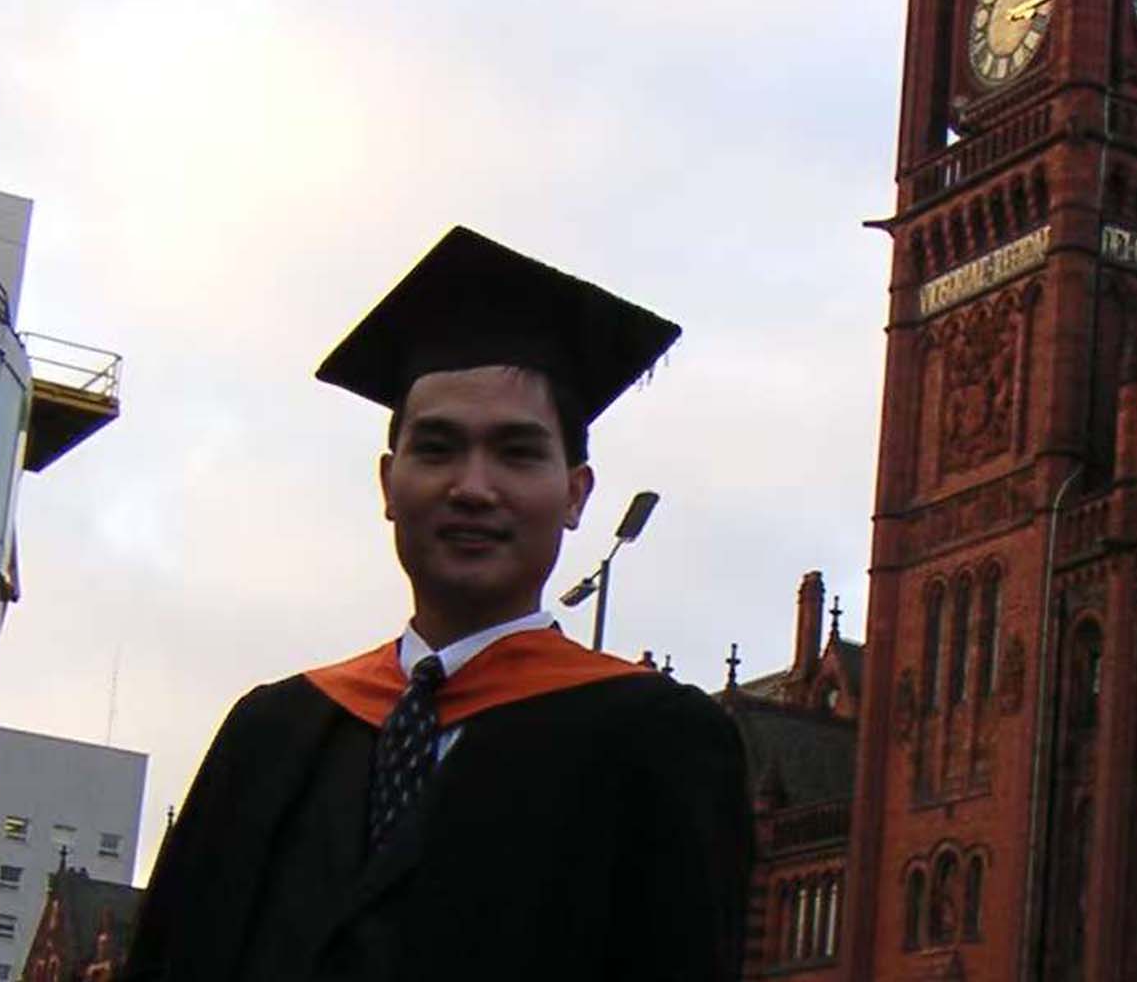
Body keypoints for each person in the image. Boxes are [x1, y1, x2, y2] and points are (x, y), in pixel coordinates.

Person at [125, 227, 750, 981]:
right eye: (438, 448)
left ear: (576, 495)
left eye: (517, 453)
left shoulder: (660, 742)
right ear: (389, 483)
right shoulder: (269, 733)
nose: (473, 487)